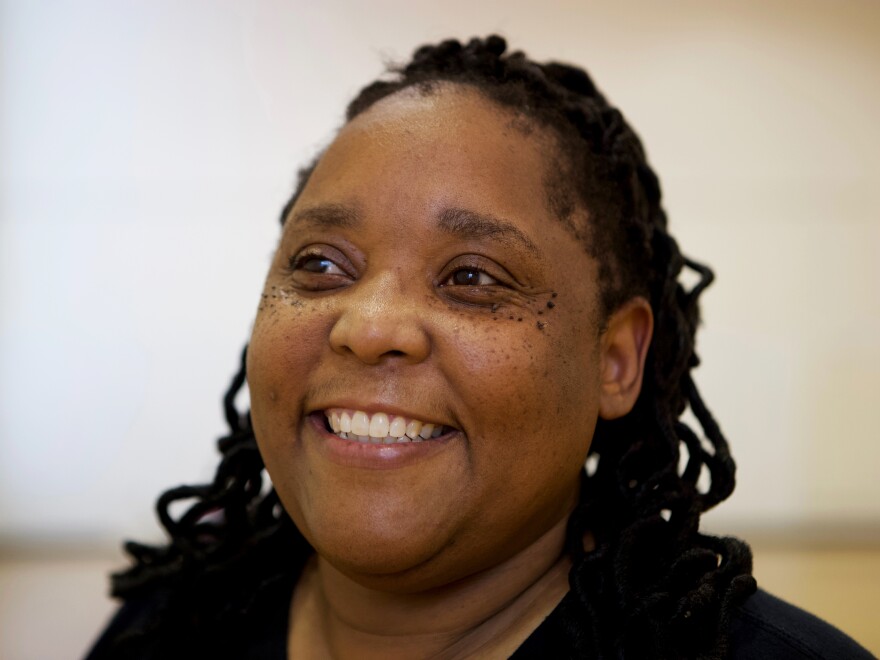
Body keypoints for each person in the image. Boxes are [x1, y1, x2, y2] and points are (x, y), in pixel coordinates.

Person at [86, 36, 874, 659]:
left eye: (471, 276)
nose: (369, 327)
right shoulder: (165, 630)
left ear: (616, 360)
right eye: (321, 264)